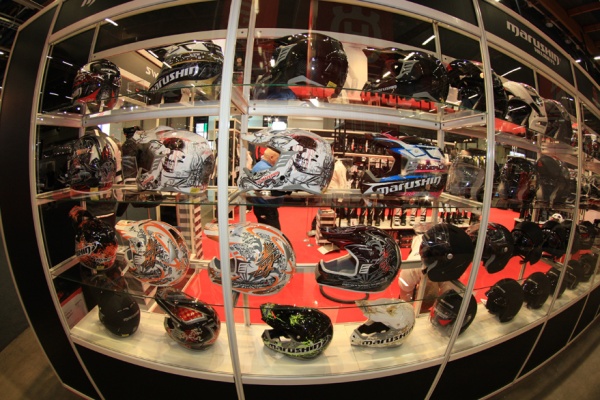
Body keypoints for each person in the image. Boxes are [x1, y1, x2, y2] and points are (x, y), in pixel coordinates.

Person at [251, 147, 282, 230]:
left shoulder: (260, 166)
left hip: (264, 206)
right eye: (278, 159)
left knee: (267, 231)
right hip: (266, 207)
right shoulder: (265, 169)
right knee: (273, 233)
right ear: (271, 157)